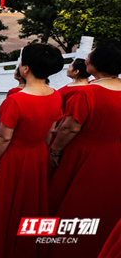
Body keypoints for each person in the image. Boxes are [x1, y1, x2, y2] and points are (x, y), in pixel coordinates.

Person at [0, 43, 64, 258]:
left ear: (25, 69)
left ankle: (1, 244)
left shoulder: (17, 99)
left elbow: (4, 137)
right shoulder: (55, 95)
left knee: (4, 204)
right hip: (37, 154)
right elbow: (50, 130)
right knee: (29, 203)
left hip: (13, 157)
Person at [48, 41, 121, 258]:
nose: (86, 58)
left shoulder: (88, 93)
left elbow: (70, 128)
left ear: (96, 65)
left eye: (90, 55)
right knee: (102, 203)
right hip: (112, 153)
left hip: (82, 153)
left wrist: (54, 151)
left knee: (70, 203)